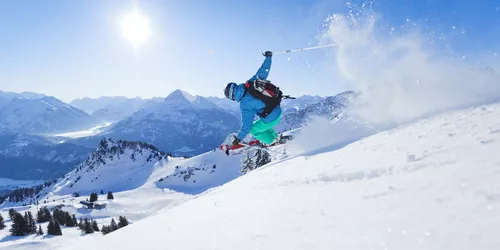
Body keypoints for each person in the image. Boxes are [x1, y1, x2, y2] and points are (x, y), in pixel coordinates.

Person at [224, 51, 282, 147]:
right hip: (277, 109)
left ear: (233, 96)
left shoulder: (244, 104)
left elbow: (247, 126)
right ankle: (277, 138)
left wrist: (238, 138)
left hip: (272, 117)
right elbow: (263, 71)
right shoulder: (251, 83)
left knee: (253, 130)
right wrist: (268, 58)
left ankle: (272, 142)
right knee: (261, 123)